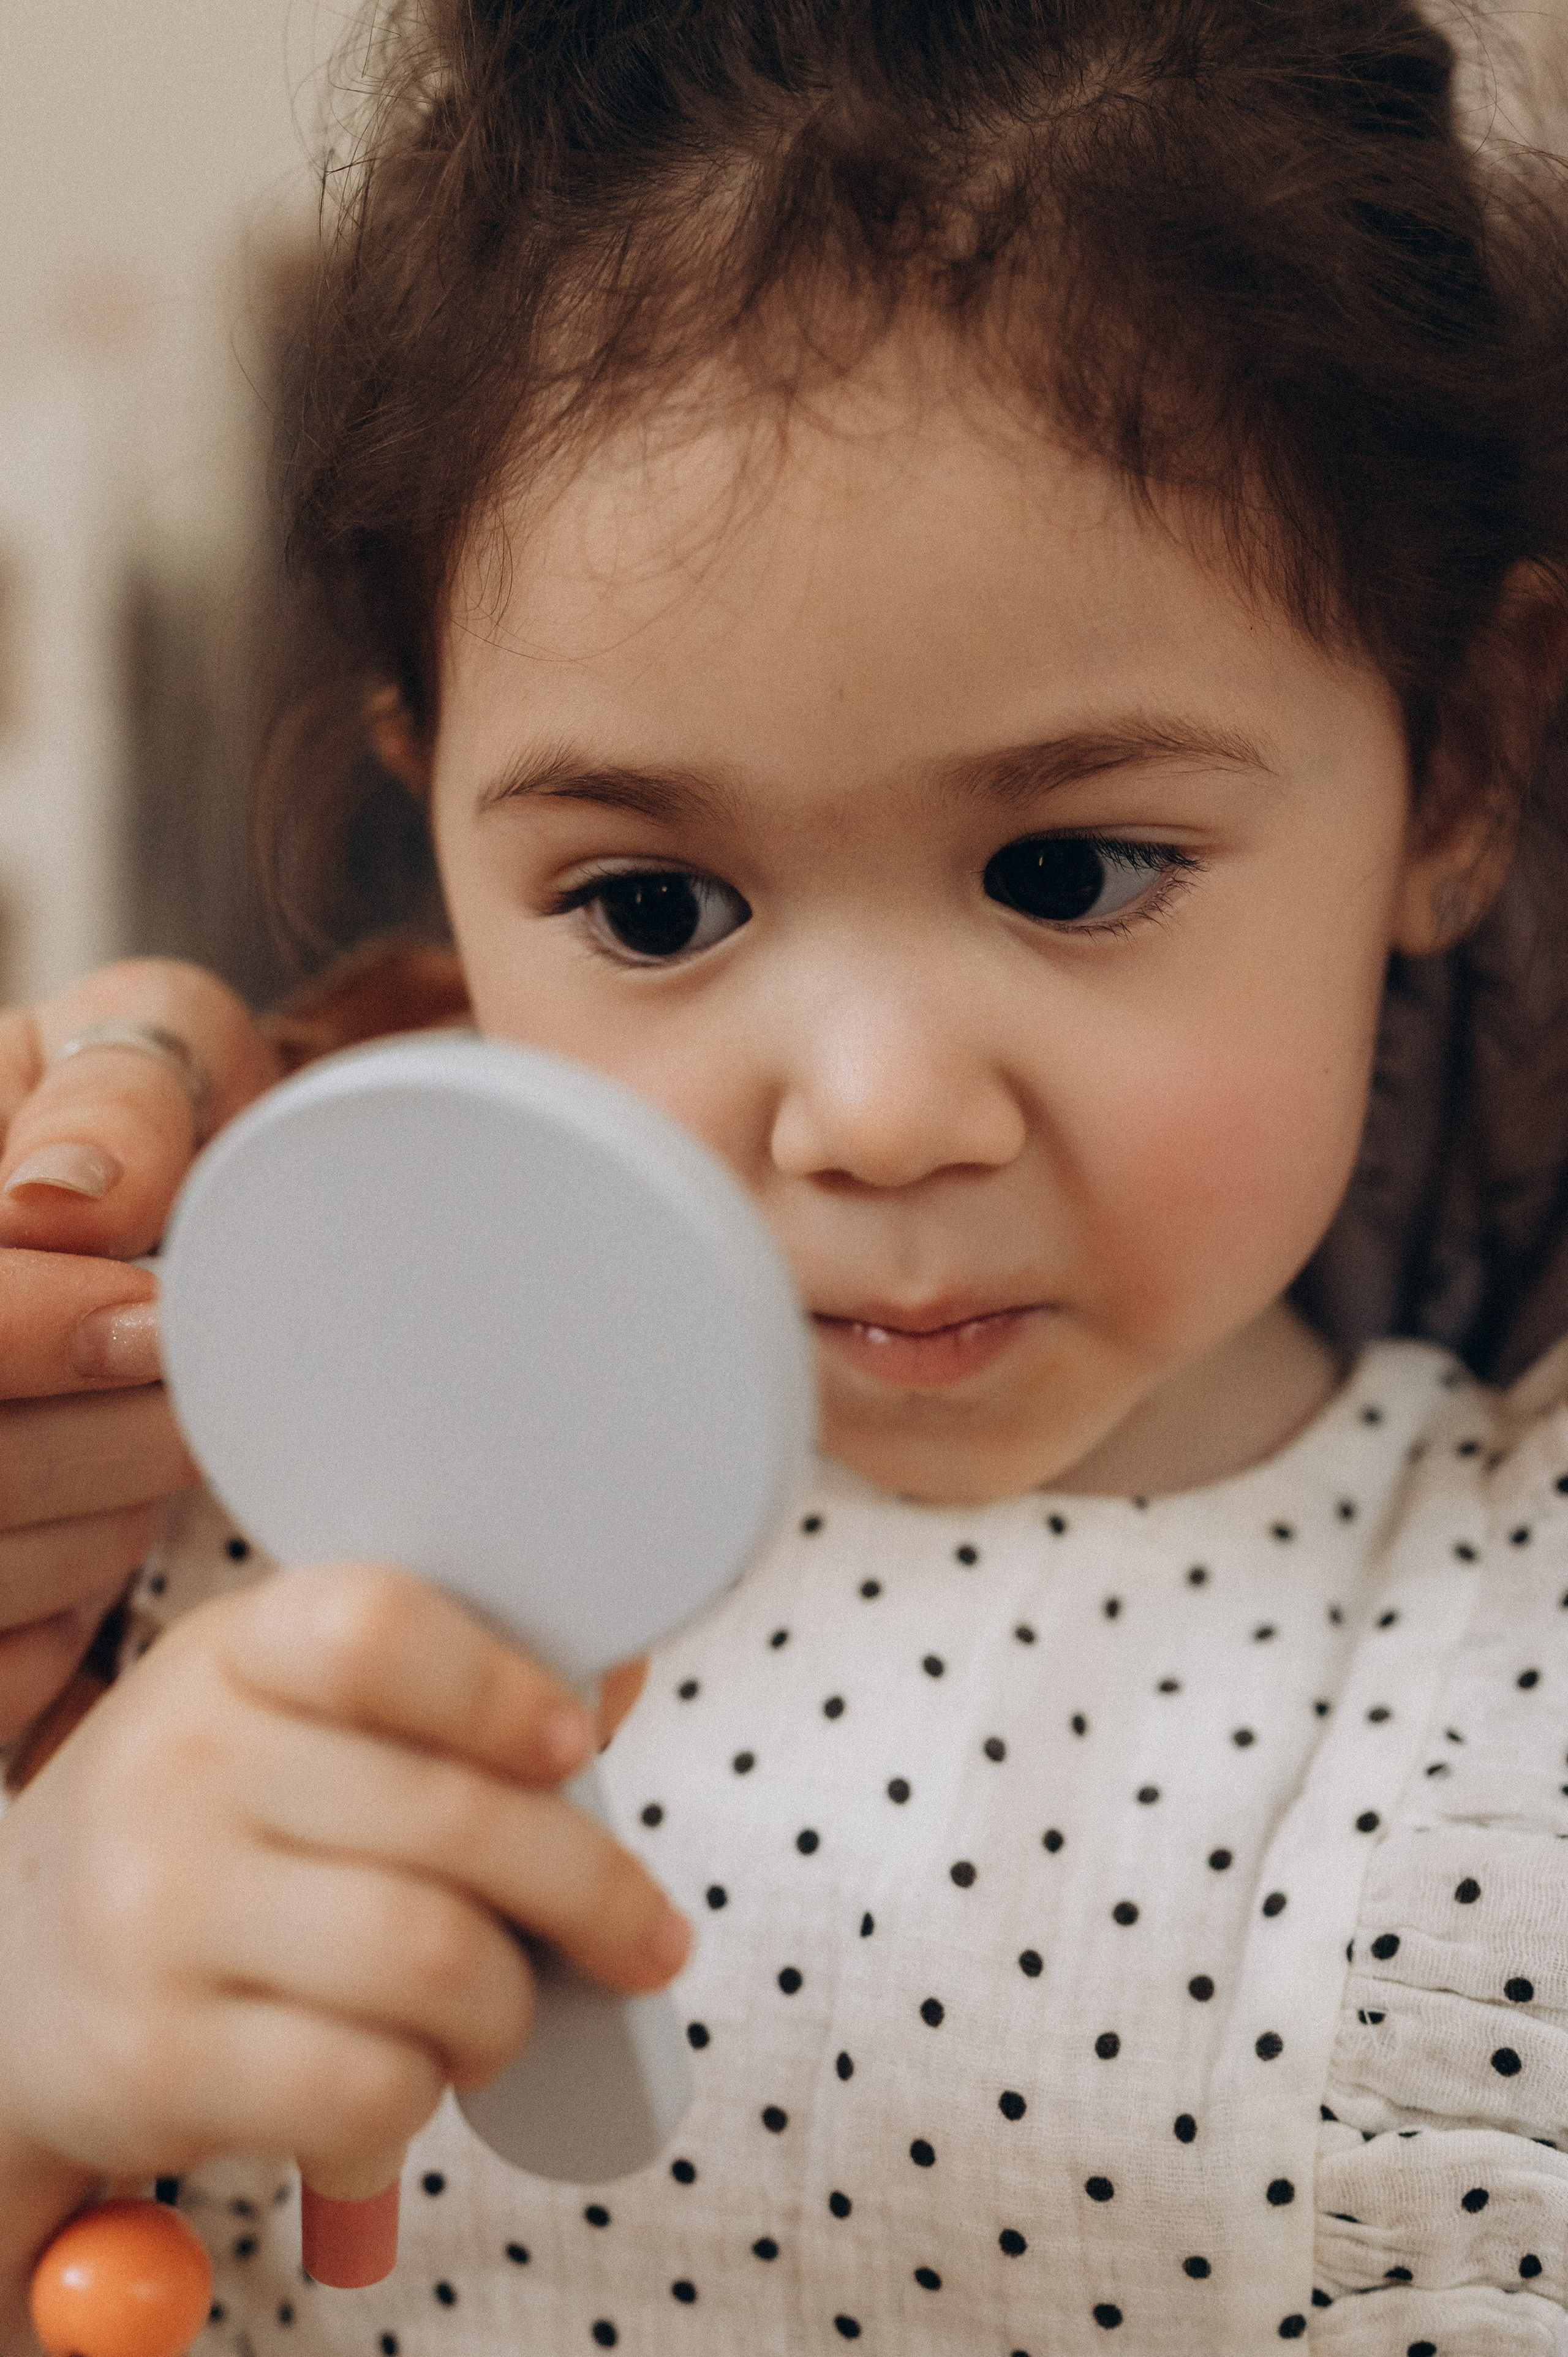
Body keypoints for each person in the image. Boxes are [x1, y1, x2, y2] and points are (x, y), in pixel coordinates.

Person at [4, 0, 1568, 2347]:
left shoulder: (1496, 1682)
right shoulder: (201, 1544)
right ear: (432, 815)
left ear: (1454, 771)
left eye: (1071, 874)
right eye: (653, 910)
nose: (873, 1114)